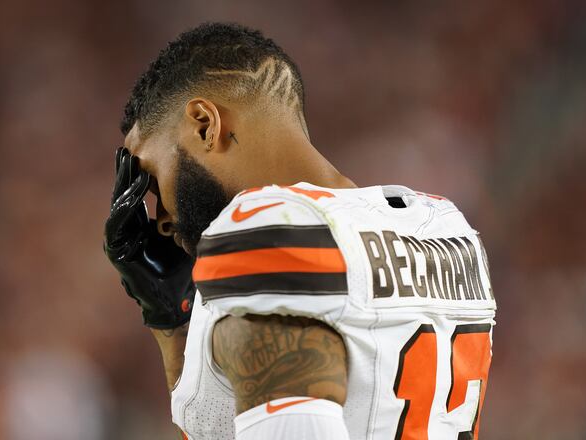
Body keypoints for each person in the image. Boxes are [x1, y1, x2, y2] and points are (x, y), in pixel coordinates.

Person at [104, 22, 496, 440]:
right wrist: (174, 325)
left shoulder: (265, 230)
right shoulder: (443, 225)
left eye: (150, 180)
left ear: (204, 124)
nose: (160, 219)